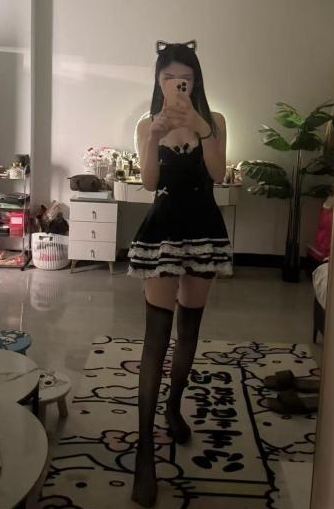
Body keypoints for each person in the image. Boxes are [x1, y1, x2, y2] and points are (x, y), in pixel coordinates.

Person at [128, 39, 233, 507]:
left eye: (184, 77)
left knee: (189, 327)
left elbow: (218, 174)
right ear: (158, 81)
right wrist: (154, 137)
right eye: (168, 77)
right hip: (163, 232)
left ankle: (173, 406)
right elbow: (150, 182)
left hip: (204, 229)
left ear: (196, 81)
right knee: (156, 337)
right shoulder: (146, 125)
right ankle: (144, 454)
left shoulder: (216, 122)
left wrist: (201, 127)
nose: (176, 84)